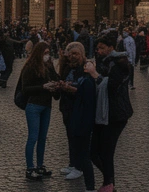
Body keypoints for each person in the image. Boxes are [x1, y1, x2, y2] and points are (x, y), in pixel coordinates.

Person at [91, 34, 132, 192]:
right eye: (97, 48)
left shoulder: (119, 63)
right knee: (94, 151)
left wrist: (95, 75)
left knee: (106, 151)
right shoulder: (106, 62)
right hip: (104, 112)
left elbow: (112, 87)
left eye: (102, 48)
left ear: (111, 47)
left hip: (116, 114)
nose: (99, 51)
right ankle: (109, 181)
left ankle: (109, 184)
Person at [58, 47, 98, 192]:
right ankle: (75, 165)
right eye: (70, 54)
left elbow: (85, 95)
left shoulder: (86, 77)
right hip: (72, 111)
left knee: (83, 150)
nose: (72, 56)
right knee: (73, 140)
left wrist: (69, 88)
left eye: (75, 53)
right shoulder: (69, 68)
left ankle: (87, 181)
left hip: (82, 116)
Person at [17, 41, 58, 180]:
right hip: (34, 105)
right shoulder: (30, 66)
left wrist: (54, 83)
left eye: (49, 53)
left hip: (47, 105)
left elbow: (56, 78)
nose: (47, 56)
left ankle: (40, 165)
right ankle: (30, 168)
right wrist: (43, 87)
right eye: (45, 53)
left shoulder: (48, 65)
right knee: (33, 137)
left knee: (42, 138)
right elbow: (25, 88)